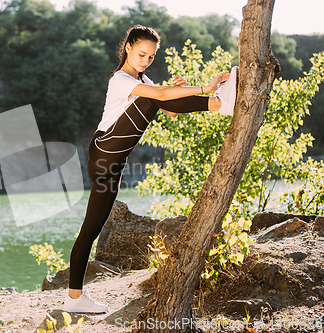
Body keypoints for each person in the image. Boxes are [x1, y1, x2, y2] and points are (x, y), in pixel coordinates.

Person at [63, 25, 238, 313]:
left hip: (113, 164)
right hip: (104, 148)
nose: (145, 61)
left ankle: (73, 298)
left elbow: (167, 107)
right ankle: (221, 103)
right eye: (141, 54)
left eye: (151, 57)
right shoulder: (120, 80)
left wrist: (178, 91)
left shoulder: (144, 79)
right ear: (129, 47)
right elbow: (156, 96)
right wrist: (205, 89)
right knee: (154, 95)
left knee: (90, 230)